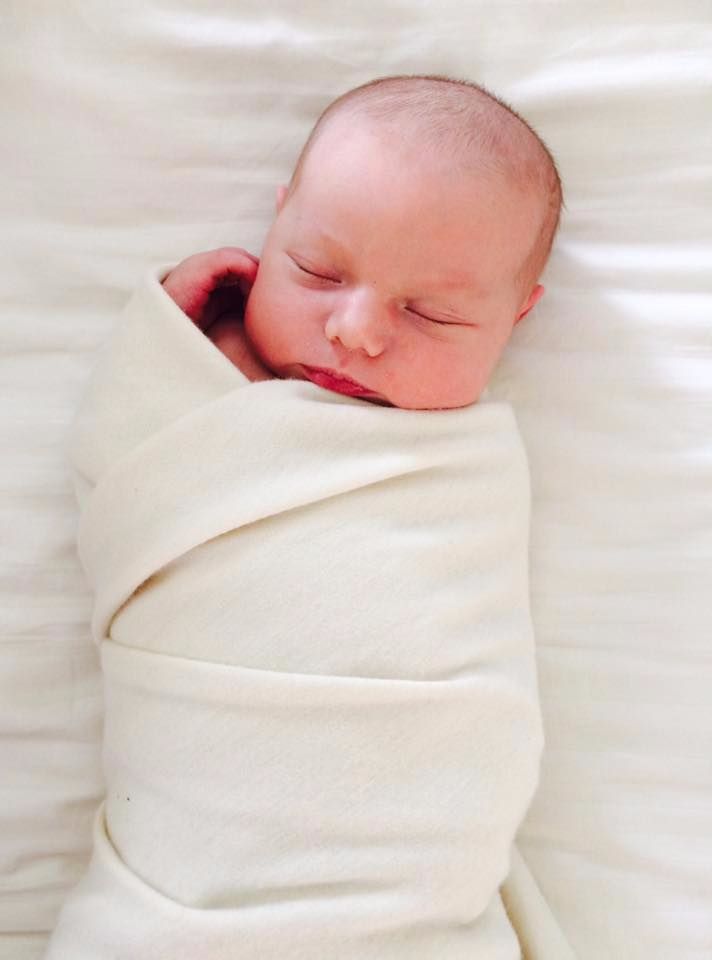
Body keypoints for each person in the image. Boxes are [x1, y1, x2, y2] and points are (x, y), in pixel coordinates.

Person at [161, 73, 563, 410]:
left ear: (516, 316)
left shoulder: (461, 458)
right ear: (276, 226)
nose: (353, 331)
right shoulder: (201, 349)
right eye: (316, 271)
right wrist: (168, 323)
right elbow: (113, 431)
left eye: (431, 314)